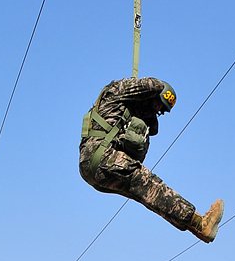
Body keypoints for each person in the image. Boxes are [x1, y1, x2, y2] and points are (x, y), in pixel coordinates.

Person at [79, 77, 223, 242]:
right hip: (102, 157)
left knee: (149, 195)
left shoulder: (126, 108)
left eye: (161, 109)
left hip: (91, 167)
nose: (157, 109)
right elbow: (154, 85)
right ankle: (200, 224)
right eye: (157, 103)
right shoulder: (117, 91)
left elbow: (153, 128)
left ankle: (197, 226)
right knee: (152, 185)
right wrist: (160, 90)